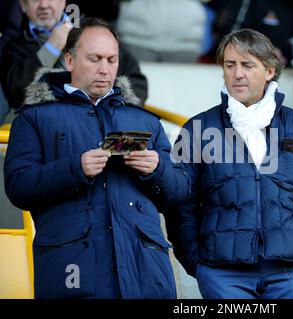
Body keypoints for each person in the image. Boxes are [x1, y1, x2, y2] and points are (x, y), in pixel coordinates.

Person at [3, 17, 188, 299]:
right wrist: (74, 169)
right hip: (72, 270)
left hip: (146, 272)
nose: (105, 69)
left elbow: (179, 192)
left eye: (112, 60)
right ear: (69, 60)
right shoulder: (32, 118)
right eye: (95, 59)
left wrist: (157, 168)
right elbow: (18, 187)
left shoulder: (144, 119)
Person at [167, 29, 293, 299]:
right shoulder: (198, 129)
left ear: (270, 71)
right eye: (230, 65)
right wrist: (195, 261)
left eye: (247, 65)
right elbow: (181, 200)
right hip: (222, 273)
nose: (237, 73)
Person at [0, 0, 148, 110]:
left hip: (104, 125)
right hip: (53, 131)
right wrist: (51, 48)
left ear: (63, 1)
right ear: (23, 6)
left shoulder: (95, 31)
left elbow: (137, 82)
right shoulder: (15, 46)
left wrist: (113, 109)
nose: (44, 4)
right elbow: (18, 95)